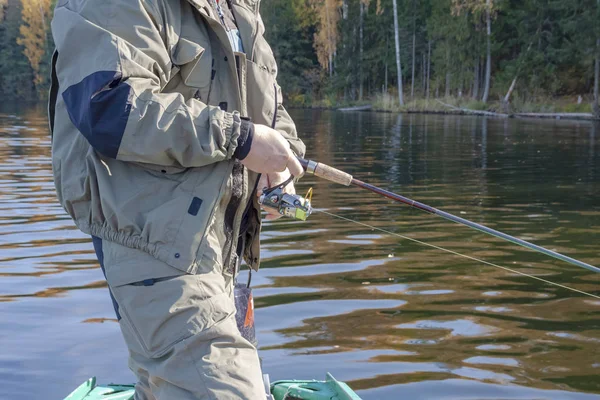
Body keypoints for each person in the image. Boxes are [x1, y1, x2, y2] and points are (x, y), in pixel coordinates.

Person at [48, 0, 305, 398]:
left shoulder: (239, 8)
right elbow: (110, 104)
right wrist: (241, 139)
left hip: (220, 243)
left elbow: (268, 107)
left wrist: (281, 162)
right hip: (151, 234)